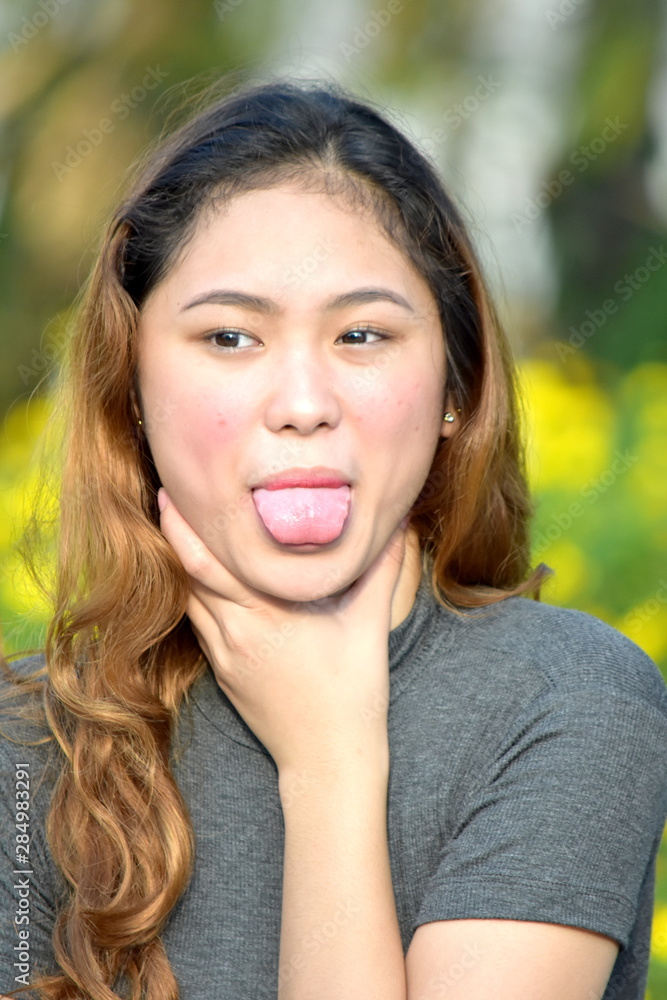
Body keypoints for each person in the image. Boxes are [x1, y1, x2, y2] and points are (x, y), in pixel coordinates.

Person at [1, 73, 665, 1000]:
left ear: (455, 385)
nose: (304, 404)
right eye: (229, 338)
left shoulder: (565, 702)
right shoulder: (26, 742)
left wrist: (327, 767)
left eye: (361, 335)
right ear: (133, 390)